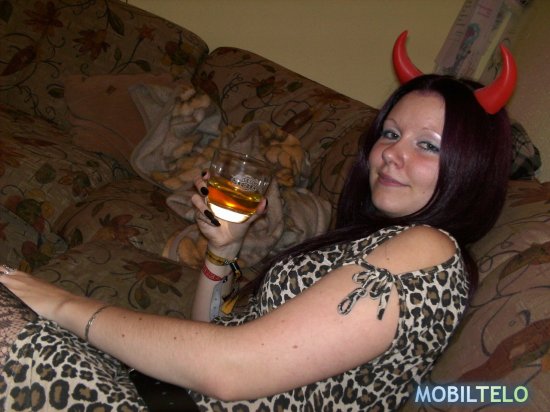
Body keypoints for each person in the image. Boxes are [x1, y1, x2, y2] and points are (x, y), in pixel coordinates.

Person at [0, 33, 516, 411]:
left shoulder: (428, 246)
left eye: (427, 145)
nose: (392, 154)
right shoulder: (376, 241)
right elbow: (211, 336)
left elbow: (230, 370)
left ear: (471, 165)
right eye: (391, 134)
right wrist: (225, 248)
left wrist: (61, 303)